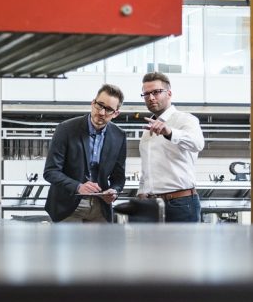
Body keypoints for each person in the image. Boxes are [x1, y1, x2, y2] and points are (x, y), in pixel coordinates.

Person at [43, 84, 127, 223]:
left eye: (109, 110)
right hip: (67, 207)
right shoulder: (66, 129)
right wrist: (78, 187)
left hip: (101, 208)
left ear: (116, 113)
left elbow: (118, 177)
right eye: (100, 105)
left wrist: (114, 191)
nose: (101, 113)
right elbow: (51, 171)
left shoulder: (119, 136)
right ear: (92, 103)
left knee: (104, 246)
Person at [136, 72, 205, 222]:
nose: (151, 97)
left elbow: (197, 143)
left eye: (156, 92)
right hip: (151, 204)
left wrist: (170, 132)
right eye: (146, 94)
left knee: (182, 246)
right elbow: (147, 168)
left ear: (169, 93)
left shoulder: (186, 119)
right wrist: (141, 192)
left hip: (180, 203)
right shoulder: (147, 131)